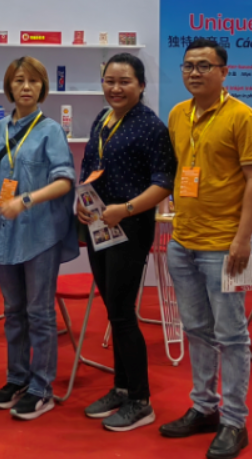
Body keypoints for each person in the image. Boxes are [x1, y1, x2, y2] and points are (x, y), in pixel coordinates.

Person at [159, 38, 252, 459]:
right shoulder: (177, 114)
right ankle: (204, 407)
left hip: (223, 246)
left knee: (232, 336)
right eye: (188, 65)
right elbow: (181, 170)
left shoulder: (243, 116)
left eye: (204, 65)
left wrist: (243, 239)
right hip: (182, 241)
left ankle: (235, 421)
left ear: (224, 71)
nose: (194, 72)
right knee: (196, 330)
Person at [76, 53, 176, 432]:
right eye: (109, 81)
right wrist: (83, 203)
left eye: (124, 81)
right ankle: (120, 387)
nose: (115, 88)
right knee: (113, 310)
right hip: (99, 227)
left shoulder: (151, 127)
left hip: (130, 228)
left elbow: (164, 182)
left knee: (122, 314)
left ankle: (140, 400)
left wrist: (127, 209)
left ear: (141, 85)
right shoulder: (103, 119)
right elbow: (90, 168)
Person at [0, 56, 78, 421]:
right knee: (12, 312)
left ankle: (41, 387)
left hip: (39, 235)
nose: (26, 87)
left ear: (43, 88)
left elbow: (65, 181)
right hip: (5, 234)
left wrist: (26, 200)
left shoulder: (51, 130)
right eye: (19, 80)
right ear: (9, 86)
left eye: (33, 81)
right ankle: (16, 378)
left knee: (39, 313)